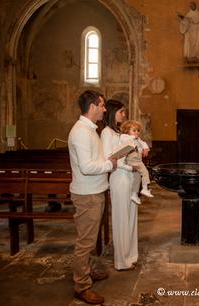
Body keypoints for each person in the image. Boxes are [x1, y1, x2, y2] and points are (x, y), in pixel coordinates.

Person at [68, 90, 117, 305]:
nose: (105, 109)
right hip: (87, 194)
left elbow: (91, 160)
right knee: (85, 243)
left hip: (94, 191)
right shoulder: (80, 132)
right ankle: (81, 285)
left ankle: (86, 272)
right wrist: (109, 164)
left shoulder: (89, 130)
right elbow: (87, 167)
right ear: (93, 106)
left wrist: (108, 158)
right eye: (102, 105)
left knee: (89, 240)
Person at [100, 99, 139, 271]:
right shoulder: (106, 133)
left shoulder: (119, 132)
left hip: (130, 177)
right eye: (121, 111)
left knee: (131, 217)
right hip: (119, 178)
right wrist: (128, 165)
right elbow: (110, 158)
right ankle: (122, 260)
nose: (124, 115)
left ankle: (131, 255)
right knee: (121, 219)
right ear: (111, 112)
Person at [119, 119, 153, 204]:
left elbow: (144, 143)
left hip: (138, 160)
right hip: (132, 160)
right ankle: (145, 189)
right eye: (134, 130)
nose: (137, 132)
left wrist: (145, 148)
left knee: (136, 179)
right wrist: (134, 137)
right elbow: (124, 139)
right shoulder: (125, 137)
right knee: (145, 172)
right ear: (127, 131)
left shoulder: (138, 139)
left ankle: (134, 194)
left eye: (138, 130)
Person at [178, 1, 199, 66]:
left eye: (193, 5)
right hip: (189, 32)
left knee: (197, 44)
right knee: (188, 44)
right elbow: (186, 22)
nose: (192, 6)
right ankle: (188, 58)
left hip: (197, 31)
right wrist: (183, 19)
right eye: (191, 6)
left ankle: (197, 58)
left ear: (195, 6)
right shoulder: (188, 14)